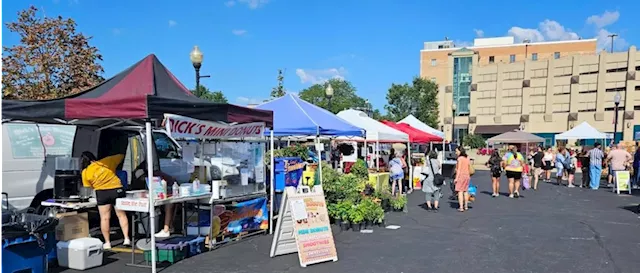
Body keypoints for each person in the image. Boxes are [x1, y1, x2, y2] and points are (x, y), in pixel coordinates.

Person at [80, 152, 130, 250]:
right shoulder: (106, 162)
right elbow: (120, 156)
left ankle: (107, 242)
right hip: (117, 190)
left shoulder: (85, 172)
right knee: (121, 215)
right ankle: (126, 238)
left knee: (105, 218)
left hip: (102, 193)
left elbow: (87, 187)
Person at [131, 161, 180, 238]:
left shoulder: (155, 176)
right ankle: (169, 227)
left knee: (169, 205)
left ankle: (167, 229)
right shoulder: (154, 174)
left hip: (170, 191)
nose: (141, 179)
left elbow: (159, 188)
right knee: (169, 205)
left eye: (141, 178)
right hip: (169, 190)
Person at [454, 147, 471, 212]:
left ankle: (461, 207)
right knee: (465, 191)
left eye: (457, 151)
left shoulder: (460, 159)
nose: (456, 153)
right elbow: (469, 167)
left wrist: (456, 178)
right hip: (467, 175)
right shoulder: (467, 158)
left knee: (460, 191)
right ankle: (466, 206)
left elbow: (459, 170)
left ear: (460, 151)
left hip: (461, 176)